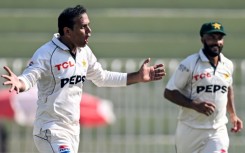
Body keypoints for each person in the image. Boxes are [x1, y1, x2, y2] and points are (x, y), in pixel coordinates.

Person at [1, 5, 166, 153]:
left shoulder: (84, 52)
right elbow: (29, 77)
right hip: (50, 130)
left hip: (73, 130)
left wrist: (136, 76)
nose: (89, 31)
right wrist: (19, 83)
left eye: (89, 25)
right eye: (83, 27)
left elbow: (101, 77)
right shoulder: (46, 54)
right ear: (67, 31)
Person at [164, 21, 243, 153]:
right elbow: (169, 92)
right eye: (211, 37)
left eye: (219, 38)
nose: (216, 42)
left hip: (217, 130)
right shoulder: (190, 63)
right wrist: (195, 105)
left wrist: (233, 115)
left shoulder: (228, 64)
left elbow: (228, 88)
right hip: (190, 129)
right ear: (202, 39)